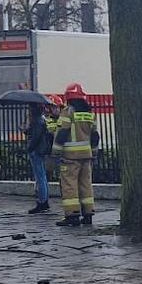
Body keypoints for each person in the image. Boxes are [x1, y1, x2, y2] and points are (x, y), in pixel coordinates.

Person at [53, 82, 100, 227]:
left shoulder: (68, 112)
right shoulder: (89, 113)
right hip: (86, 155)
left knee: (69, 185)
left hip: (70, 156)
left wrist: (55, 151)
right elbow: (95, 136)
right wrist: (94, 152)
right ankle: (88, 214)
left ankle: (72, 215)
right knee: (86, 183)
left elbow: (62, 132)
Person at [26, 98, 56, 214]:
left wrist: (30, 147)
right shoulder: (40, 120)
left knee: (40, 176)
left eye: (30, 108)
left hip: (37, 151)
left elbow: (36, 137)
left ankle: (43, 201)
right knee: (41, 176)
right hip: (40, 150)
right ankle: (44, 201)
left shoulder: (38, 120)